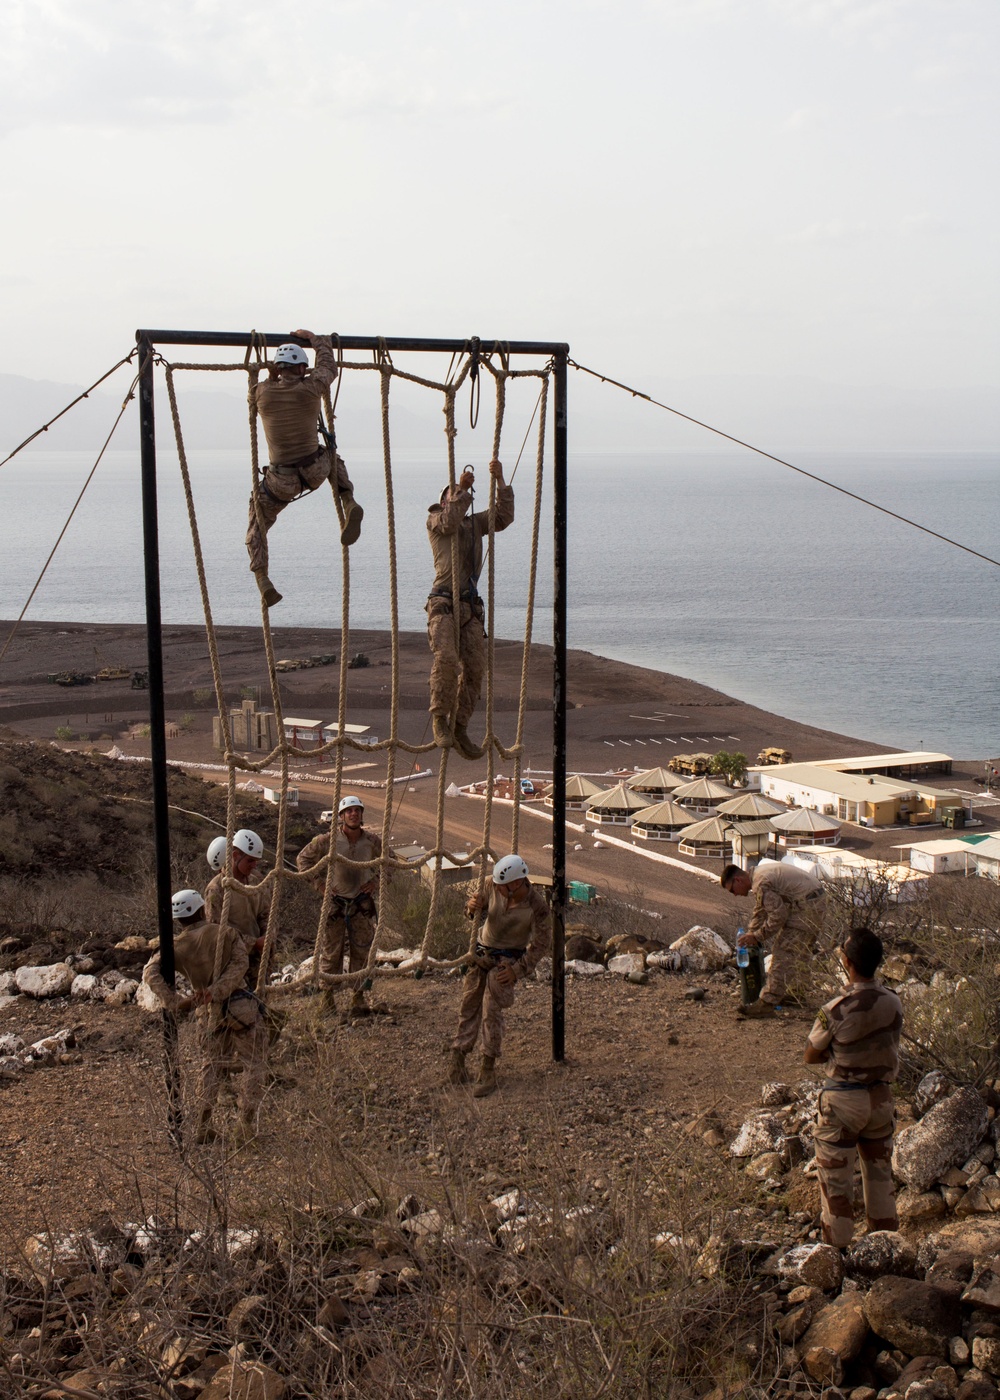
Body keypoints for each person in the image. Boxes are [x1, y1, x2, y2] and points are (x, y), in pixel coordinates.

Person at [246, 329, 363, 607]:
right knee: (333, 457)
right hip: (315, 470)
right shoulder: (311, 388)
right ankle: (348, 501)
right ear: (301, 368)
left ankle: (262, 578)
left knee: (256, 523)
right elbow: (328, 367)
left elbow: (251, 400)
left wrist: (265, 375)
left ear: (277, 369)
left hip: (280, 482)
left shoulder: (262, 393)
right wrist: (317, 340)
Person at [142, 889, 267, 1145]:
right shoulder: (223, 933)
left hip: (207, 1013)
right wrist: (217, 990)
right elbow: (240, 964)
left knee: (211, 1066)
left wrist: (175, 1002)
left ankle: (203, 1125)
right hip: (238, 1004)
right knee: (255, 1063)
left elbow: (149, 972)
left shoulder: (175, 947)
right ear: (201, 910)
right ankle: (244, 1126)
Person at [804, 927, 902, 1248]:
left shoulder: (835, 1009)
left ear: (847, 963)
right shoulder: (893, 1002)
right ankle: (886, 1249)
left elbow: (811, 1054)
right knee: (880, 1179)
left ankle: (838, 1258)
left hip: (843, 1104)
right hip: (880, 1101)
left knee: (836, 1188)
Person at [425, 460, 514, 759]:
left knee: (476, 669)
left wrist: (500, 481)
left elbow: (503, 517)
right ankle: (439, 718)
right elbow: (450, 521)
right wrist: (461, 489)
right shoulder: (436, 520)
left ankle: (459, 726)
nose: (461, 498)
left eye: (462, 495)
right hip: (443, 603)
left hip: (469, 607)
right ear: (443, 501)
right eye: (454, 495)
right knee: (447, 658)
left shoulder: (475, 525)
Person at [450, 854, 551, 1098]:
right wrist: (471, 908)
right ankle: (458, 1059)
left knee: (491, 1012)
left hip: (506, 961)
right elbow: (474, 912)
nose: (498, 889)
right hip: (482, 952)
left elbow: (541, 943)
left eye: (503, 887)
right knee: (468, 1005)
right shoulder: (491, 885)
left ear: (517, 883)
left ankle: (488, 1068)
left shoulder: (537, 907)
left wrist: (518, 970)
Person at [296, 795, 382, 1019]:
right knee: (331, 952)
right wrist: (320, 885)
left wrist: (376, 882)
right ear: (342, 816)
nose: (354, 814)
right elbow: (302, 860)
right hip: (335, 906)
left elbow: (390, 862)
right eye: (349, 811)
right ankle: (327, 998)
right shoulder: (328, 840)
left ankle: (358, 997)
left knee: (361, 951)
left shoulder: (372, 842)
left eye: (357, 810)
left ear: (361, 815)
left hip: (361, 905)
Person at [204, 829, 286, 1049]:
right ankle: (226, 1067)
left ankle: (259, 1062)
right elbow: (216, 932)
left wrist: (268, 936)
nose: (254, 866)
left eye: (256, 862)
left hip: (259, 959)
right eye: (250, 861)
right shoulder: (216, 890)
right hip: (232, 964)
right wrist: (252, 943)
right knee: (233, 1014)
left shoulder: (256, 881)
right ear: (234, 855)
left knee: (259, 1008)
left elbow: (268, 912)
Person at [721, 859, 826, 1018]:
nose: (735, 894)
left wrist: (756, 936)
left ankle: (767, 1003)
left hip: (808, 906)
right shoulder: (759, 874)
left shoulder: (760, 883)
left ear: (738, 880)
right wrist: (750, 933)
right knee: (800, 950)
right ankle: (797, 993)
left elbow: (778, 916)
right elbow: (761, 910)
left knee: (783, 950)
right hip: (816, 901)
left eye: (732, 890)